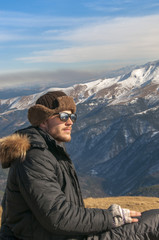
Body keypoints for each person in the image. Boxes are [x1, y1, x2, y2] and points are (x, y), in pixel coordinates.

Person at [0, 91, 159, 240]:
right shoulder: (35, 157)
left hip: (58, 234)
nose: (70, 122)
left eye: (72, 117)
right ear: (43, 120)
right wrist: (112, 217)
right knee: (154, 222)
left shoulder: (50, 149)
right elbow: (59, 217)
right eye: (63, 116)